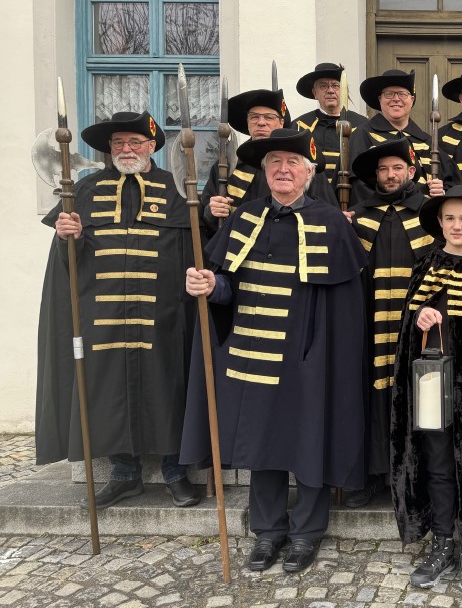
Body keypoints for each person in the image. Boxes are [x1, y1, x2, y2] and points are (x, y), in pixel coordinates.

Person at [181, 128, 366, 574]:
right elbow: (229, 286)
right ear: (264, 172)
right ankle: (267, 532)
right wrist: (210, 284)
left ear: (308, 172)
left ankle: (306, 533)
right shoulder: (245, 217)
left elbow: (344, 307)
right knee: (262, 442)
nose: (283, 170)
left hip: (307, 357)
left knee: (309, 441)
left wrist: (324, 357)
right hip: (253, 353)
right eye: (275, 163)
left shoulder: (332, 222)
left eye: (292, 163)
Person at [35, 111, 199, 509]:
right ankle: (124, 475)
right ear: (109, 149)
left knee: (168, 388)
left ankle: (175, 472)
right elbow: (68, 263)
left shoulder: (176, 188)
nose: (127, 149)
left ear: (151, 145)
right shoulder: (84, 190)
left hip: (163, 316)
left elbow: (196, 248)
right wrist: (68, 237)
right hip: (103, 317)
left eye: (135, 142)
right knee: (108, 393)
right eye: (118, 143)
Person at [389, 185, 462, 594]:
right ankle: (443, 539)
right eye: (450, 218)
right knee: (439, 464)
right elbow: (407, 330)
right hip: (432, 384)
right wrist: (419, 317)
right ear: (440, 223)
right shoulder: (424, 265)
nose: (457, 226)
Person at [345, 138, 437, 508]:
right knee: (372, 395)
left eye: (397, 167)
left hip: (417, 324)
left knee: (417, 394)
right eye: (383, 169)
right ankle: (372, 475)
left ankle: (416, 479)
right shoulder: (359, 215)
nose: (390, 175)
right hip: (370, 323)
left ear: (411, 171)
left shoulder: (429, 213)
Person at [201, 87, 336, 233]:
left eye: (269, 117)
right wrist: (212, 212)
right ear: (247, 122)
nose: (261, 122)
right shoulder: (226, 164)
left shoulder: (303, 164)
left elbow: (326, 213)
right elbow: (207, 219)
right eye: (254, 117)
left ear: (281, 123)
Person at [349, 69, 458, 205]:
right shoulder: (362, 135)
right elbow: (359, 187)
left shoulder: (426, 141)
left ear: (411, 100)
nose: (396, 99)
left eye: (402, 94)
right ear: (380, 99)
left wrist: (441, 193)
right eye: (389, 94)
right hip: (381, 215)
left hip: (421, 216)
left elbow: (452, 183)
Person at [292, 62, 369, 189]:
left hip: (351, 194)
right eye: (323, 86)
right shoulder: (299, 126)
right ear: (314, 92)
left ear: (344, 91)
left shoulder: (362, 125)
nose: (330, 91)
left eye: (335, 86)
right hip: (311, 195)